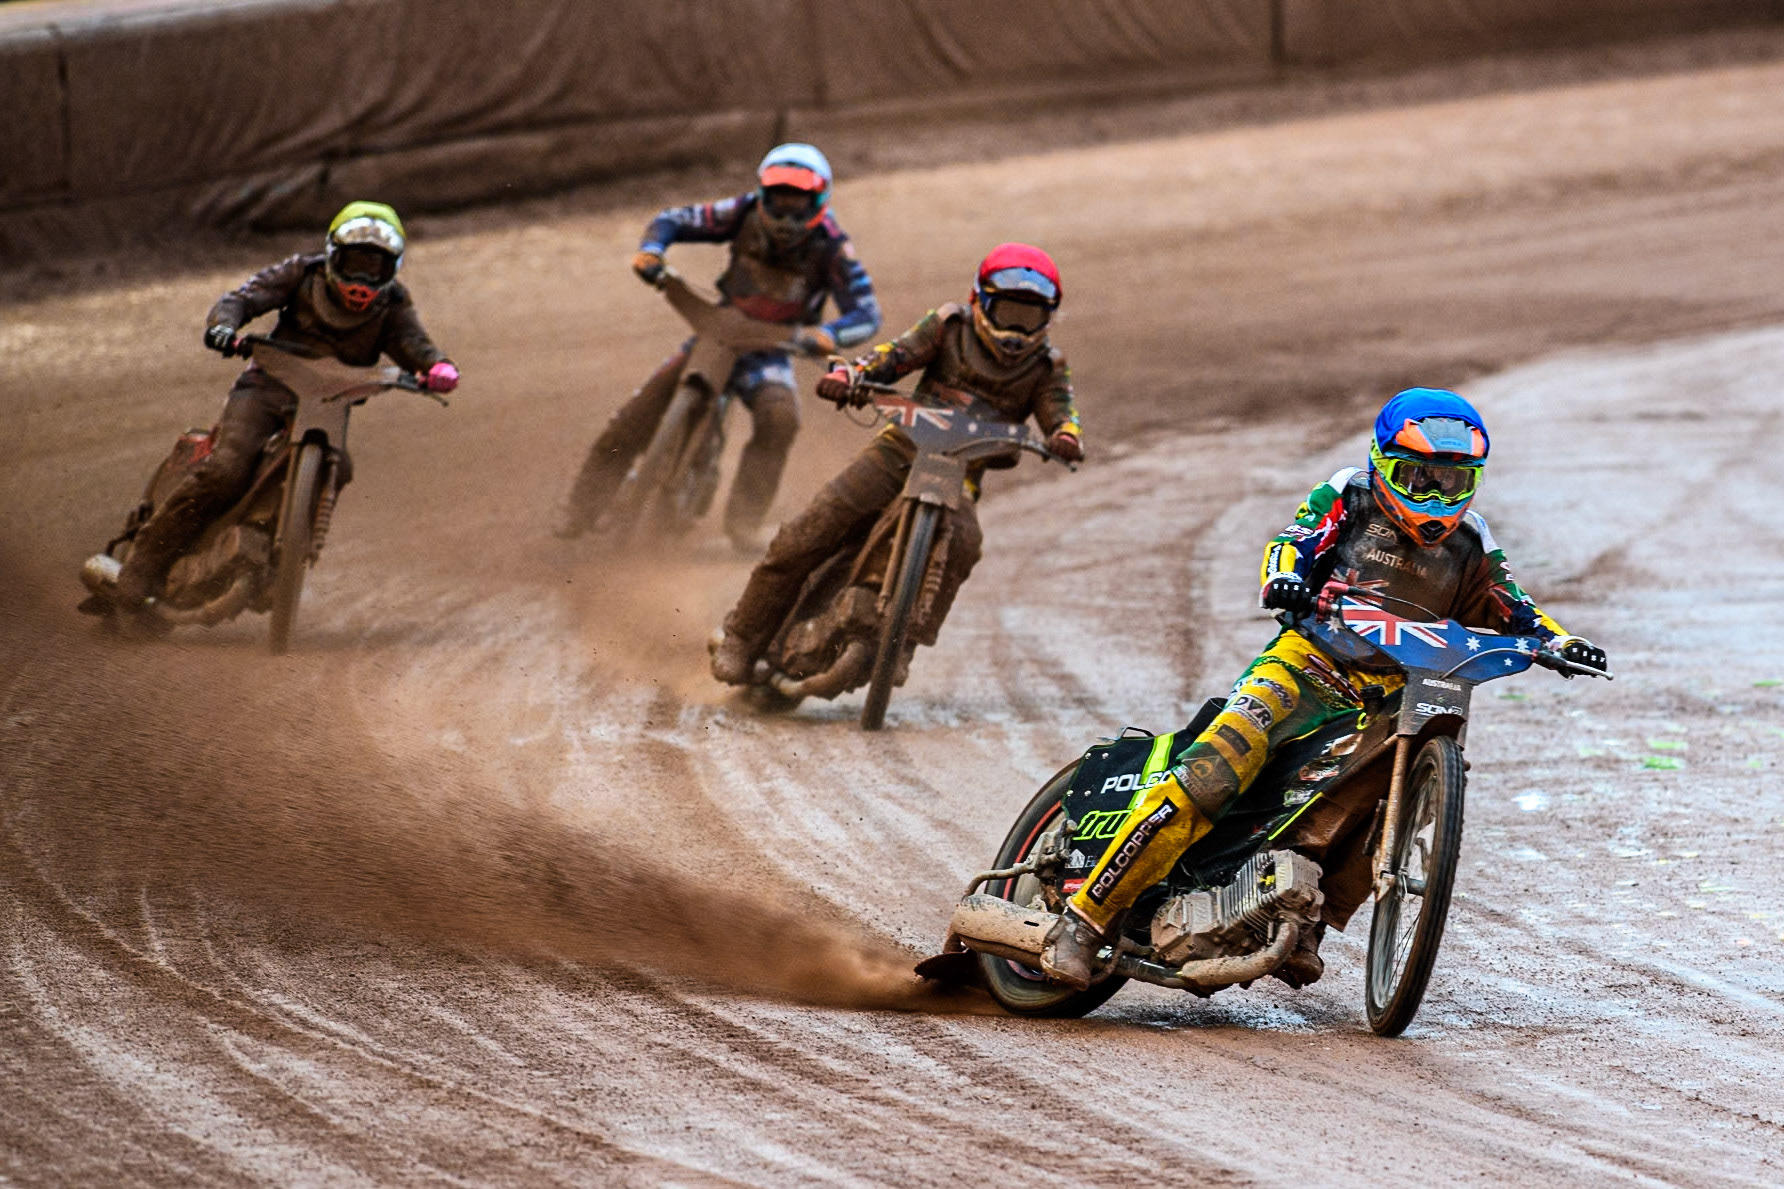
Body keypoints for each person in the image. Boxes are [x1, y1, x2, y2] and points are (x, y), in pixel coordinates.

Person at [1040, 388, 1609, 990]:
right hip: (1306, 665)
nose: (1436, 498)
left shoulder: (1472, 541)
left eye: (1452, 481)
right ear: (1381, 464)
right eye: (1418, 478)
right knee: (1216, 767)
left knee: (1406, 793)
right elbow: (1294, 541)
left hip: (1394, 694)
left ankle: (1305, 921)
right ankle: (1084, 921)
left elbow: (1512, 605)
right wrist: (1284, 578)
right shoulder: (1349, 495)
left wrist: (1560, 642)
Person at [709, 242, 1083, 685]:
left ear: (1049, 317)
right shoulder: (947, 326)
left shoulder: (1048, 366)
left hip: (961, 474)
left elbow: (1061, 411)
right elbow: (895, 355)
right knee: (812, 527)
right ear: (979, 302)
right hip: (898, 450)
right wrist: (853, 374)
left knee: (963, 543)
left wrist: (1065, 435)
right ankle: (741, 636)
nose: (1017, 330)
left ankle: (902, 644)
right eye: (1009, 312)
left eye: (1031, 317)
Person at [109, 201, 458, 613]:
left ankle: (287, 560)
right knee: (226, 470)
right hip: (266, 388)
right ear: (332, 257)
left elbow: (415, 345)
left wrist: (437, 367)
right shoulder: (300, 273)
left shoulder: (394, 304)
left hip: (329, 403)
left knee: (340, 466)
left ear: (392, 270)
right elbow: (244, 298)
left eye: (375, 268)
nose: (362, 280)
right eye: (353, 264)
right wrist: (224, 325)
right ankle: (141, 568)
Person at [554, 142, 881, 549]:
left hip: (774, 348)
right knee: (638, 412)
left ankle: (745, 523)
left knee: (780, 419)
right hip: (718, 330)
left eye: (797, 202)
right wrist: (652, 251)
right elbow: (672, 219)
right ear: (762, 194)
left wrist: (830, 335)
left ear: (818, 199)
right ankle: (580, 508)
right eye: (778, 200)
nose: (785, 213)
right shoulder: (742, 211)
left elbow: (868, 313)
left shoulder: (833, 245)